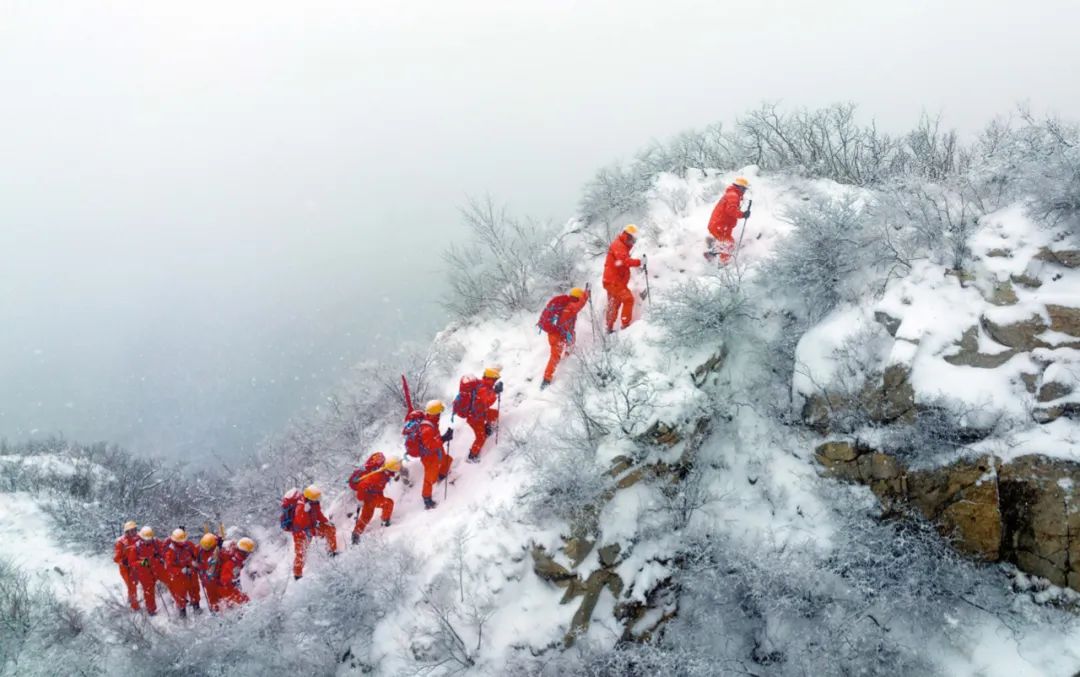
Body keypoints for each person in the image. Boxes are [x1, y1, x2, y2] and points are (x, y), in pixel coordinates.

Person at [402, 400, 454, 509]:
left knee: (447, 460)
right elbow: (430, 445)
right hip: (429, 456)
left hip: (436, 452)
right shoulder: (427, 428)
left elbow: (434, 439)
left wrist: (443, 437)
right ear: (435, 413)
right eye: (439, 412)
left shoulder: (431, 421)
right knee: (430, 478)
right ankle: (427, 498)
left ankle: (442, 475)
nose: (440, 414)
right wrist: (444, 438)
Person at [537, 287, 590, 388]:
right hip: (557, 335)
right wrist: (586, 295)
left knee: (571, 339)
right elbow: (579, 306)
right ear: (577, 298)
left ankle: (568, 357)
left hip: (557, 332)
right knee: (555, 356)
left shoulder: (565, 305)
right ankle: (546, 379)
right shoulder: (569, 307)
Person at [283, 485, 338, 580]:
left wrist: (326, 522)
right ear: (310, 498)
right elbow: (302, 526)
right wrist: (315, 531)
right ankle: (297, 575)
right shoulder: (301, 508)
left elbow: (318, 514)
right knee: (300, 553)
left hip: (310, 528)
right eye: (316, 498)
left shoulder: (314, 503)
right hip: (300, 534)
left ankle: (331, 551)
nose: (318, 499)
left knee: (330, 528)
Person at [348, 453, 402, 543]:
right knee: (385, 505)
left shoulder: (384, 472)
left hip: (375, 494)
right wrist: (360, 499)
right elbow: (362, 485)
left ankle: (356, 533)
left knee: (368, 515)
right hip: (370, 497)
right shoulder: (378, 476)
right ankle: (384, 523)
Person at [455, 367, 502, 462]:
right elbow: (487, 402)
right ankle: (472, 456)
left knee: (494, 414)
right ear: (489, 378)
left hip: (478, 413)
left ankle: (488, 429)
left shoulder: (481, 383)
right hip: (475, 418)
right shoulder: (483, 389)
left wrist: (493, 390)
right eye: (495, 379)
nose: (495, 381)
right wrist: (495, 392)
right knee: (480, 437)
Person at [603, 224, 643, 333]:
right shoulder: (619, 245)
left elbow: (623, 262)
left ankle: (609, 328)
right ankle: (625, 326)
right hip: (614, 282)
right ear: (628, 236)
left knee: (614, 304)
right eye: (633, 240)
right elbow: (625, 261)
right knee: (628, 299)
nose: (633, 242)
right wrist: (640, 262)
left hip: (613, 281)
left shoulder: (621, 245)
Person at [706, 177, 751, 264]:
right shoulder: (733, 195)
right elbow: (731, 210)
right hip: (720, 225)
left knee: (724, 243)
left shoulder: (732, 194)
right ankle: (724, 265)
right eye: (744, 189)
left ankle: (710, 256)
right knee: (728, 244)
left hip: (721, 225)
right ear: (740, 188)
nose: (744, 191)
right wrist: (743, 214)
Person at [162, 528, 201, 616]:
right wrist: (181, 570)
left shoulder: (189, 544)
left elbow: (196, 553)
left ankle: (197, 608)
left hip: (191, 572)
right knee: (180, 595)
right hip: (179, 577)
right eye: (180, 541)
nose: (182, 542)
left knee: (195, 590)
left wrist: (195, 562)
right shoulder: (170, 551)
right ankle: (182, 613)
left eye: (183, 540)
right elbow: (169, 567)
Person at [125, 526, 163, 616]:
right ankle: (151, 610)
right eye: (146, 538)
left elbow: (163, 552)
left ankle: (180, 602)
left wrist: (160, 558)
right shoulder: (135, 548)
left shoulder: (156, 542)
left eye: (150, 538)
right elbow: (132, 562)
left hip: (157, 568)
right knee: (149, 591)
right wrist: (143, 562)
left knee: (172, 581)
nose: (148, 540)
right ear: (141, 537)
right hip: (144, 572)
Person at [218, 537, 256, 607]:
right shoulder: (231, 563)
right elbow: (223, 579)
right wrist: (233, 579)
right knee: (245, 603)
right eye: (247, 553)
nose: (248, 555)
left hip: (233, 588)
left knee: (245, 602)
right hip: (227, 590)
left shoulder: (238, 559)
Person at [113, 520, 140, 611]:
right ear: (126, 532)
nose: (134, 532)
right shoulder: (121, 542)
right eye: (131, 530)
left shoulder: (138, 538)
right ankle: (135, 607)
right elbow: (116, 558)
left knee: (135, 584)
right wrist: (123, 561)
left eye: (134, 530)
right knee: (132, 587)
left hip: (136, 566)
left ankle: (130, 599)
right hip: (126, 569)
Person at [196, 532, 224, 612]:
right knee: (213, 598)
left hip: (217, 577)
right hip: (208, 579)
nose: (205, 548)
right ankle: (216, 611)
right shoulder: (199, 550)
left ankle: (222, 610)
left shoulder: (217, 550)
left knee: (221, 595)